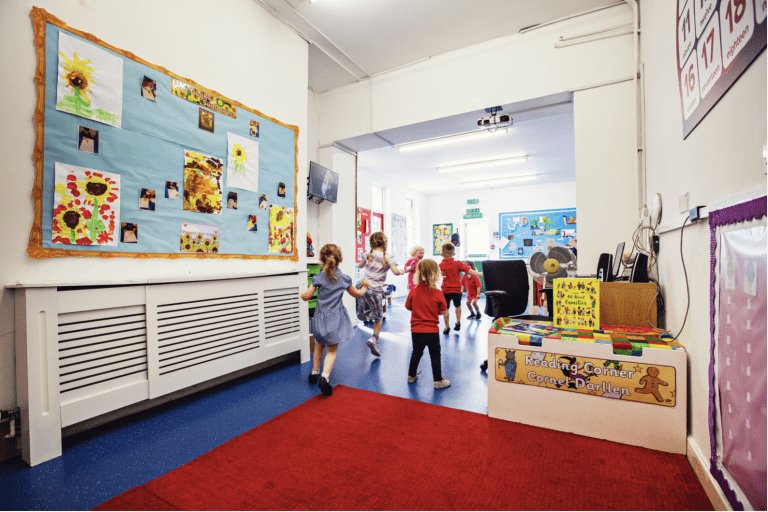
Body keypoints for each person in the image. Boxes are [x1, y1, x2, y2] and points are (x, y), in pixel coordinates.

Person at [300, 244, 368, 396]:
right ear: (340, 259)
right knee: (331, 350)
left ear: (322, 259)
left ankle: (314, 372)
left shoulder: (318, 278)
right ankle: (324, 377)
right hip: (334, 321)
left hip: (319, 319)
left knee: (318, 346)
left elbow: (307, 296)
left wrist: (302, 294)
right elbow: (357, 294)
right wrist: (364, 287)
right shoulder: (344, 279)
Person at [405, 259, 451, 389]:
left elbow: (408, 306)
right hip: (432, 332)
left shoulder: (413, 291)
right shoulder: (438, 293)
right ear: (436, 274)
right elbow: (443, 311)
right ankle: (438, 381)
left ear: (418, 273)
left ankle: (411, 376)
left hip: (416, 331)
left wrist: (419, 310)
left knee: (416, 353)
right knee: (435, 355)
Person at [356, 231, 403, 356]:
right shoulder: (388, 257)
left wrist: (366, 261)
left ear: (372, 242)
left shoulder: (368, 254)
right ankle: (374, 338)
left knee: (363, 298)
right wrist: (403, 270)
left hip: (363, 286)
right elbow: (396, 272)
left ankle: (361, 313)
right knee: (379, 317)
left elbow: (360, 266)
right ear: (385, 242)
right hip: (376, 290)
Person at [439, 242, 482, 335]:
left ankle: (447, 327)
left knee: (446, 309)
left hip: (446, 290)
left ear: (441, 254)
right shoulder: (458, 263)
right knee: (457, 306)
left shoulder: (440, 265)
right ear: (453, 254)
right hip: (457, 290)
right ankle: (458, 322)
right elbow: (470, 270)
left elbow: (436, 275)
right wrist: (480, 273)